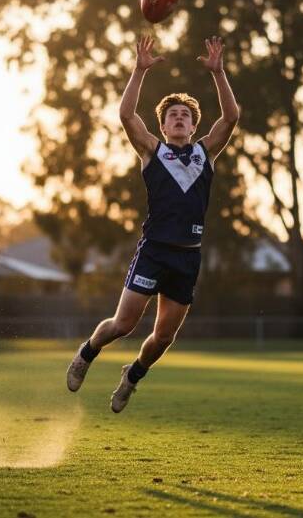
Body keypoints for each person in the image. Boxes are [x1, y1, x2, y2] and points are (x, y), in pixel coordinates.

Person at [66, 34, 240, 412]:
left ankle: (133, 376)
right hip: (154, 252)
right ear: (162, 127)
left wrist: (219, 74)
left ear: (193, 126)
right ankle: (86, 353)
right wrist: (139, 70)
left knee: (162, 337)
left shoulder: (205, 152)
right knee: (123, 324)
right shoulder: (151, 151)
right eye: (172, 115)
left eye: (185, 115)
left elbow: (231, 118)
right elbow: (127, 115)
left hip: (187, 258)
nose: (179, 118)